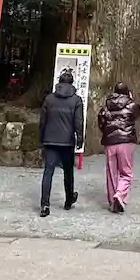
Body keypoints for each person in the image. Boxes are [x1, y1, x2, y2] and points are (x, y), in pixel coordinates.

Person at [39, 68, 83, 217]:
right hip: (67, 141)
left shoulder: (49, 99)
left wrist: (41, 137)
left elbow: (42, 120)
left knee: (48, 172)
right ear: (72, 83)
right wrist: (80, 138)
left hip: (50, 139)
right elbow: (78, 121)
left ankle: (45, 205)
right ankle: (69, 199)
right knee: (68, 172)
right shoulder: (76, 100)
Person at [97, 82, 140, 213]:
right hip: (126, 141)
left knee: (111, 172)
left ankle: (113, 203)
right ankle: (120, 194)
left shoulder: (106, 106)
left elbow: (101, 123)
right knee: (126, 172)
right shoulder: (132, 105)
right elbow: (138, 114)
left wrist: (107, 133)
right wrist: (131, 99)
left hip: (110, 142)